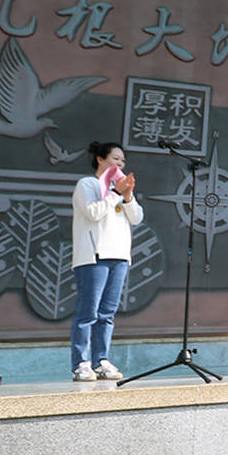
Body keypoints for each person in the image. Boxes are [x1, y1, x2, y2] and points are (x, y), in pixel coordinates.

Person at [70, 141, 142, 382]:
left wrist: (128, 197)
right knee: (87, 312)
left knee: (107, 313)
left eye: (123, 160)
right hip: (93, 256)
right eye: (115, 158)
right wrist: (115, 194)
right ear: (100, 159)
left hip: (120, 257)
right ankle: (81, 363)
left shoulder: (119, 191)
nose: (120, 163)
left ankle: (101, 360)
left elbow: (137, 218)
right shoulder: (87, 184)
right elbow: (93, 212)